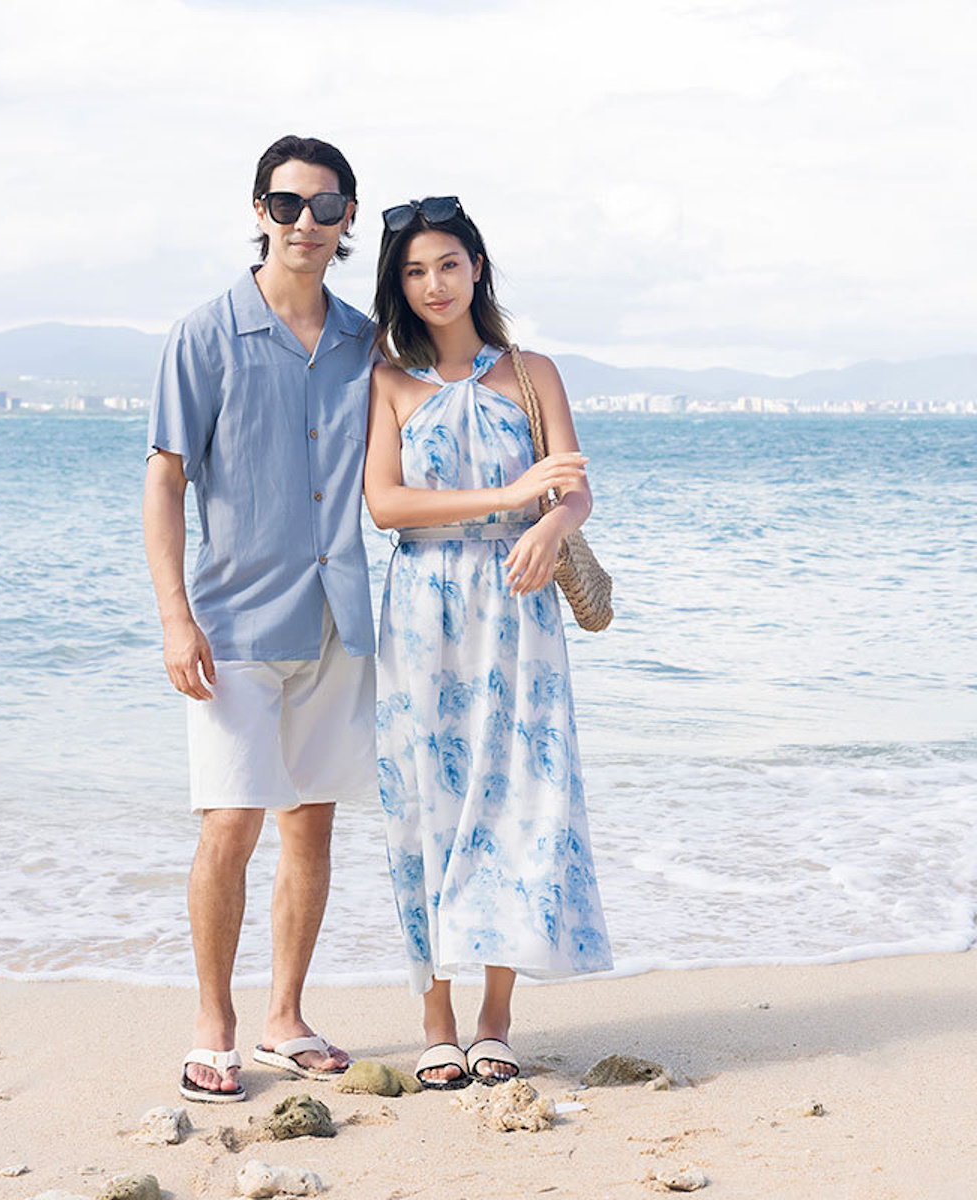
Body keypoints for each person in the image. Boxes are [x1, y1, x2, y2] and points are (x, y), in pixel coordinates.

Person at [143, 135, 376, 1103]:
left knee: (310, 829)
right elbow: (165, 478)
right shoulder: (205, 336)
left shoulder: (367, 341)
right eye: (288, 206)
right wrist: (173, 616)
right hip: (233, 625)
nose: (306, 226)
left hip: (337, 624)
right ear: (258, 211)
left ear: (348, 221)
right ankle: (214, 1023)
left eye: (326, 209)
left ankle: (283, 1017)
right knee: (229, 826)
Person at [363, 196, 613, 1090]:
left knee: (519, 798)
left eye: (449, 264)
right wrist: (511, 506)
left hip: (520, 607)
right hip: (422, 607)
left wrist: (551, 528)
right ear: (399, 283)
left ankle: (495, 1017)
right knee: (424, 804)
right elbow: (385, 506)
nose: (434, 284)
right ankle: (434, 1019)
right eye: (415, 270)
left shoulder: (532, 371)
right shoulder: (388, 383)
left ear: (477, 268)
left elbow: (574, 488)